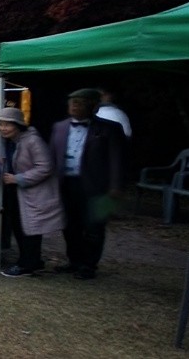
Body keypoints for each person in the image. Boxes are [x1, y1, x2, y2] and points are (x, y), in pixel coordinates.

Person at [50, 88, 125, 280]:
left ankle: (89, 265)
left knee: (94, 227)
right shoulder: (59, 127)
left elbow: (117, 159)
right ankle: (74, 261)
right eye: (72, 103)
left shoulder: (110, 128)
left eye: (80, 103)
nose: (74, 106)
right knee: (69, 226)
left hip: (97, 187)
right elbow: (53, 156)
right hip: (66, 184)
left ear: (93, 106)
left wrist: (115, 186)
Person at [0, 107, 63, 278]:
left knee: (30, 228)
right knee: (19, 226)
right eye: (1, 124)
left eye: (7, 124)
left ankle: (27, 265)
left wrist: (18, 178)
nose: (3, 128)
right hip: (16, 191)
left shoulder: (32, 140)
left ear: (18, 124)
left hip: (32, 191)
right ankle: (31, 261)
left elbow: (45, 166)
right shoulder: (8, 141)